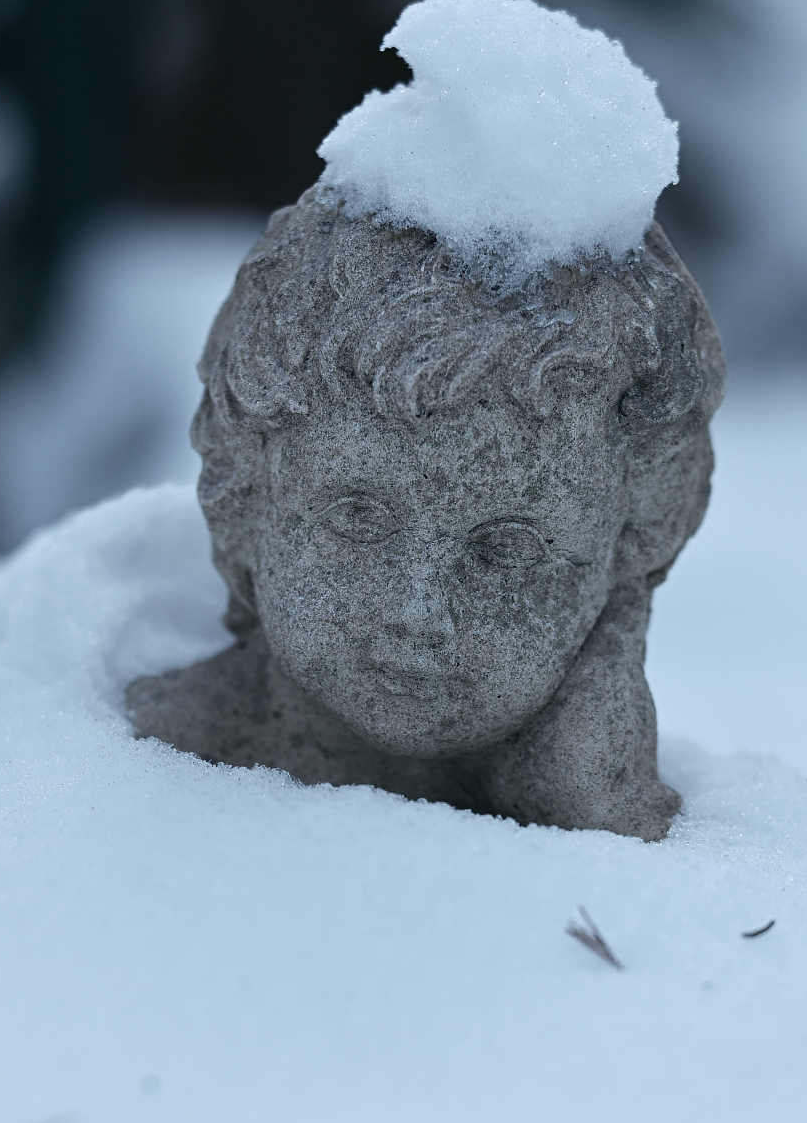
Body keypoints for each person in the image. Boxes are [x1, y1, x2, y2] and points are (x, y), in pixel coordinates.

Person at [127, 187, 724, 840]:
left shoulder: (621, 829)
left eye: (507, 547)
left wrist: (602, 808)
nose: (419, 612)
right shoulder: (119, 768)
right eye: (357, 517)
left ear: (630, 545)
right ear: (244, 500)